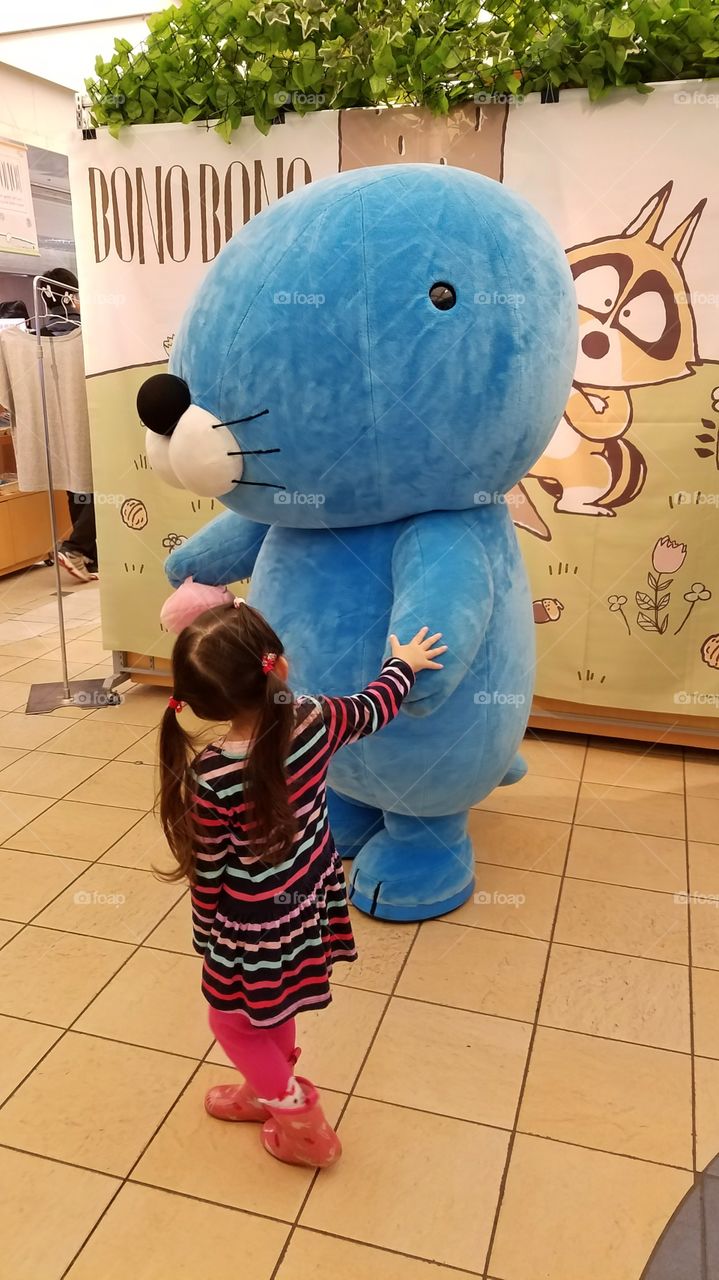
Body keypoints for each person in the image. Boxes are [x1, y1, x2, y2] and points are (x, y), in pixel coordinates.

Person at [157, 592, 446, 1169]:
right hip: (307, 897)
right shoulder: (316, 719)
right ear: (278, 667)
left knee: (230, 1021)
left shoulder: (212, 774)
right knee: (272, 1005)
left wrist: (207, 935)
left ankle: (300, 1121)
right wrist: (405, 664)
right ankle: (267, 1088)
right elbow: (374, 706)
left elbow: (209, 871)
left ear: (197, 703)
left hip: (249, 924)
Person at [37, 268, 99, 583]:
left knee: (76, 485)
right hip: (88, 416)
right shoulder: (88, 332)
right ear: (70, 294)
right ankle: (76, 547)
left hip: (54, 422)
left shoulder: (38, 334)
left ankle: (89, 556)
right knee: (101, 483)